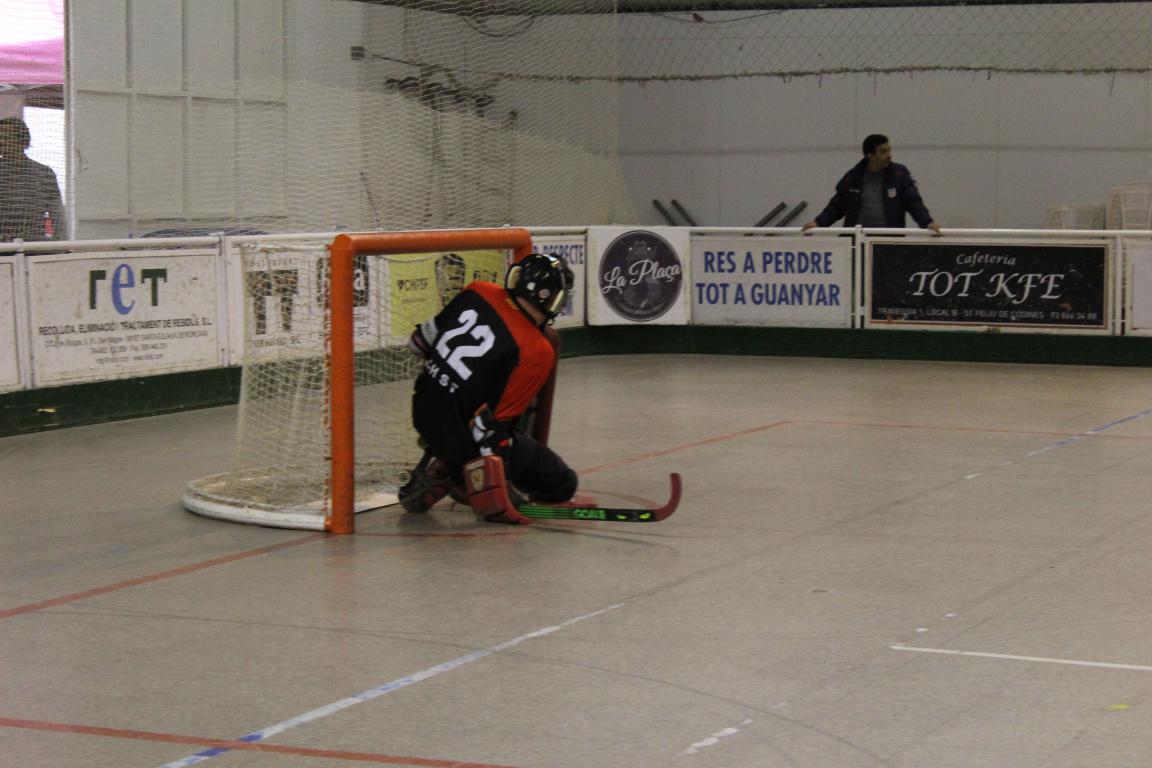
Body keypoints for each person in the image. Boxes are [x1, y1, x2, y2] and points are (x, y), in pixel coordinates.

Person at [400, 252, 578, 521]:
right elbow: (489, 431)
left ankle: (444, 466)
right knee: (563, 482)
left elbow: (418, 343)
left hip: (422, 410)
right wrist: (498, 496)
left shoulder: (478, 291)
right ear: (552, 299)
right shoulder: (537, 350)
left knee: (474, 402)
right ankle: (455, 473)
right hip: (461, 442)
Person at [801, 134, 941, 235]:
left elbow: (913, 202)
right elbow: (836, 206)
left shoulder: (900, 175)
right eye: (883, 151)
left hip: (889, 241)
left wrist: (927, 223)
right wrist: (818, 223)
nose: (889, 155)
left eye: (889, 150)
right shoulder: (853, 177)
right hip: (858, 240)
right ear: (870, 155)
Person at [0, 117, 65, 242]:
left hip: (34, 243)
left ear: (22, 141)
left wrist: (62, 245)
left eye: (6, 137)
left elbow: (56, 214)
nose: (1, 142)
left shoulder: (44, 173)